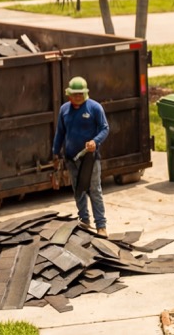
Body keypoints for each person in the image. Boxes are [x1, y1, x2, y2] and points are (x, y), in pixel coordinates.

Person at [52, 76, 109, 235]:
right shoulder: (64, 110)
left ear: (86, 93)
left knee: (94, 190)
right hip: (71, 158)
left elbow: (105, 128)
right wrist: (56, 153)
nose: (78, 97)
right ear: (69, 94)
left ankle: (101, 226)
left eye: (81, 94)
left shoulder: (95, 108)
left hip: (90, 159)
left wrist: (95, 141)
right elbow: (60, 133)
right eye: (75, 94)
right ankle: (84, 220)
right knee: (78, 190)